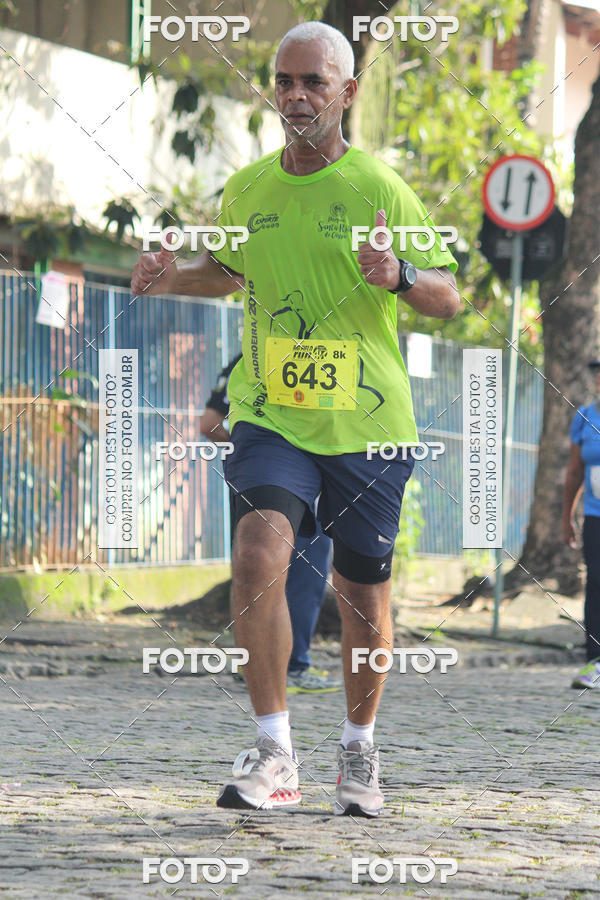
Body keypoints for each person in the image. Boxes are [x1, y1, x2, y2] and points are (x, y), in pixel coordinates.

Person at [131, 21, 458, 817]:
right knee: (256, 555)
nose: (297, 96)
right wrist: (169, 277)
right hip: (271, 413)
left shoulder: (381, 189)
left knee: (362, 597)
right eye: (285, 81)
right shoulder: (247, 190)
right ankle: (275, 750)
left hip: (367, 423)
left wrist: (399, 274)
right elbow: (227, 272)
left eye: (315, 81)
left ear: (348, 91)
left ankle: (359, 750)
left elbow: (448, 297)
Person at [200, 352, 340, 693]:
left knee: (257, 570)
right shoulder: (326, 352)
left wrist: (250, 456)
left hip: (255, 477)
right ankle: (292, 667)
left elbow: (210, 424)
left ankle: (253, 665)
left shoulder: (245, 358)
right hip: (308, 477)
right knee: (304, 573)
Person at [562, 359, 600, 689]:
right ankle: (595, 661)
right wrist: (567, 517)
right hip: (595, 516)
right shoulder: (585, 417)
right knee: (596, 584)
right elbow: (575, 472)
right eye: (598, 376)